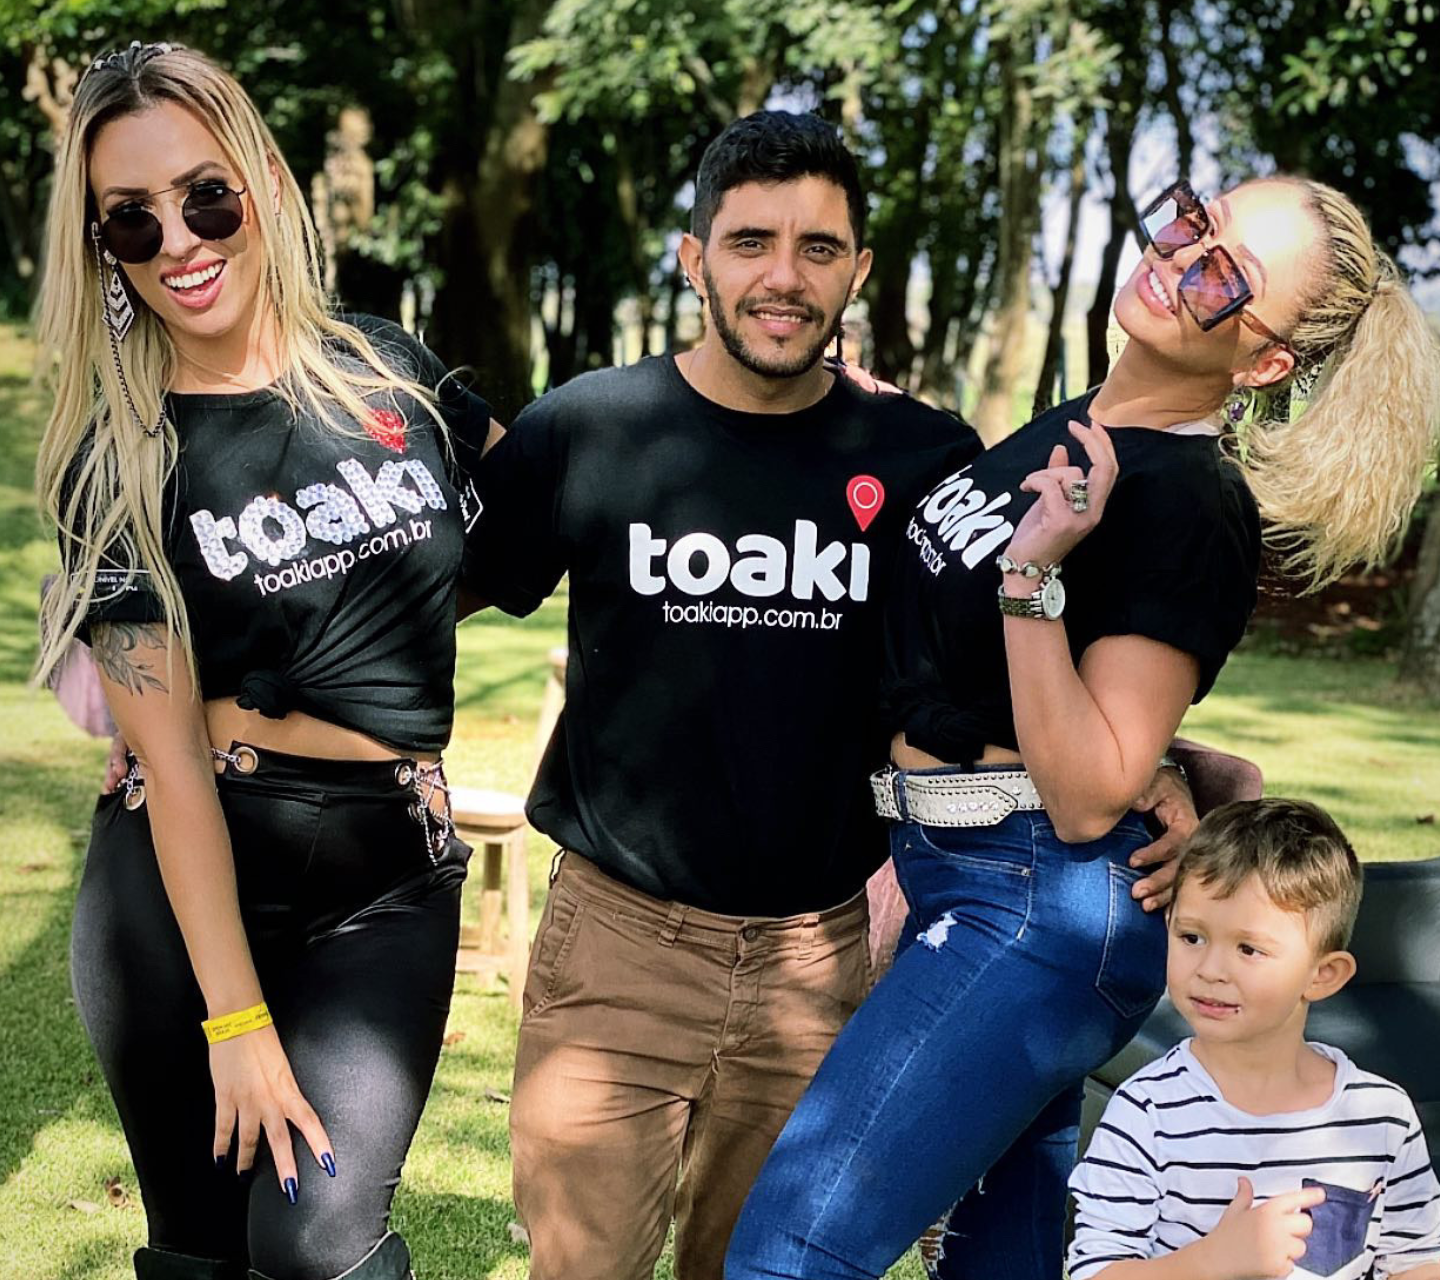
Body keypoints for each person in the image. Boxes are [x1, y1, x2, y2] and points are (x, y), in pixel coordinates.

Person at [461, 109, 1194, 1280]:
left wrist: (1176, 762)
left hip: (822, 956)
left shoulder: (924, 456)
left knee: (763, 1264)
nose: (784, 277)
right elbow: (412, 603)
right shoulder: (587, 430)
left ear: (858, 268)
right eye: (750, 242)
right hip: (617, 953)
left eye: (819, 248)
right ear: (693, 257)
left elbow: (999, 663)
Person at [726, 174, 1440, 1280]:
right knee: (999, 1260)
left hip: (1034, 905)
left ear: (1263, 365)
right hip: (964, 871)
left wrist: (1030, 581)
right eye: (1195, 221)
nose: (1179, 258)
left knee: (789, 1252)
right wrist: (1171, 760)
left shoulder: (1190, 500)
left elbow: (1088, 790)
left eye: (1227, 277)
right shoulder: (1081, 424)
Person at [34, 42, 498, 1280]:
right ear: (104, 249)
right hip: (185, 876)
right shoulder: (116, 460)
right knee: (200, 1250)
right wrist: (234, 1019)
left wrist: (801, 410)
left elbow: (559, 503)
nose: (179, 241)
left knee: (316, 1241)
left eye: (206, 196)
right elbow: (173, 764)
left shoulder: (389, 371)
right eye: (131, 220)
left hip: (388, 876)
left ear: (265, 186)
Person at [1068, 798, 1440, 1280]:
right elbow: (1095, 1272)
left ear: (1323, 975)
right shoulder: (1148, 1113)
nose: (1210, 970)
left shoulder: (1382, 1116)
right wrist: (1212, 1262)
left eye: (1249, 949)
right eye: (1192, 937)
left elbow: (1418, 1260)